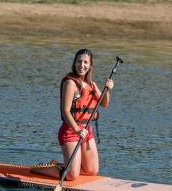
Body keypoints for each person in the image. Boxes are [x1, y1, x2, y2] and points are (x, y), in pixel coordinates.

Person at [31, 48, 114, 181]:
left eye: (85, 62)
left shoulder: (92, 84)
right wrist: (76, 130)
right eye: (79, 61)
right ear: (74, 63)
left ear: (90, 66)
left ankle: (58, 165)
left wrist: (108, 89)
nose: (82, 65)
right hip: (70, 131)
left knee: (92, 171)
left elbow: (104, 104)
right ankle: (38, 169)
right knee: (71, 176)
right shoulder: (70, 83)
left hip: (86, 131)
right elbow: (65, 111)